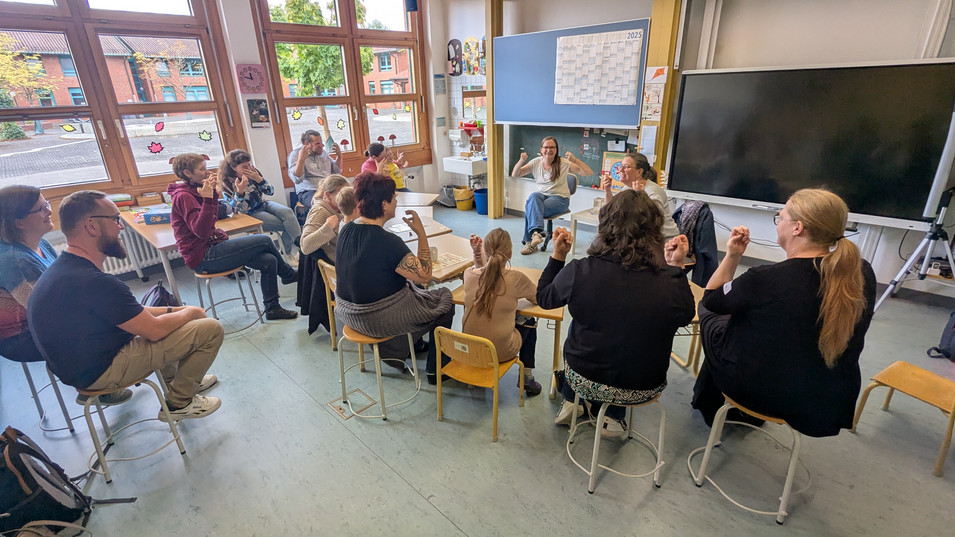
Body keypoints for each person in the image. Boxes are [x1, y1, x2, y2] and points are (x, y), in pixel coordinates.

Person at [691, 188, 877, 437]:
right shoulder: (860, 273)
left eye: (781, 217)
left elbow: (712, 299)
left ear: (797, 228)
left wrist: (732, 255)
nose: (779, 222)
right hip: (820, 399)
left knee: (714, 315)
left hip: (758, 393)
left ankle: (711, 402)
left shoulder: (766, 279)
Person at [29, 191, 224, 421]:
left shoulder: (68, 268)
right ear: (91, 226)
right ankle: (179, 403)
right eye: (115, 219)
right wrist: (190, 312)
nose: (120, 227)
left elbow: (135, 315)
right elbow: (154, 329)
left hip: (79, 368)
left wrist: (180, 311)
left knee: (175, 322)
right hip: (100, 372)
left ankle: (181, 381)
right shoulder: (96, 282)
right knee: (210, 329)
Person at [537, 190, 695, 437]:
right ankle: (613, 417)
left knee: (580, 330)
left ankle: (571, 400)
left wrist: (558, 256)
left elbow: (545, 299)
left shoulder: (581, 270)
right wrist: (676, 266)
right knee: (629, 332)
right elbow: (686, 316)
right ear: (655, 231)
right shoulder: (670, 279)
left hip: (584, 379)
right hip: (645, 387)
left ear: (605, 225)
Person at [0, 186, 132, 405]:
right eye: (40, 209)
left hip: (46, 321)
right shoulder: (13, 260)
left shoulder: (40, 242)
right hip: (22, 336)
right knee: (119, 323)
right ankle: (96, 383)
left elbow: (65, 286)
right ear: (18, 222)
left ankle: (101, 380)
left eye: (47, 205)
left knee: (121, 315)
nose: (49, 212)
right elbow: (42, 310)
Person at [334, 172, 454, 384]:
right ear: (383, 204)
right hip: (375, 319)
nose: (396, 200)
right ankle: (437, 370)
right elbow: (425, 275)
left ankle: (412, 345)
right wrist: (421, 233)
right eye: (393, 197)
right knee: (444, 300)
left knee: (414, 289)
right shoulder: (387, 241)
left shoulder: (346, 229)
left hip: (347, 312)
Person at [167, 153, 298, 320]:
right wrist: (209, 198)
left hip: (212, 246)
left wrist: (213, 195)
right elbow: (201, 231)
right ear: (187, 173)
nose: (207, 172)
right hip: (203, 257)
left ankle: (272, 309)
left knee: (269, 261)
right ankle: (288, 274)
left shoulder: (196, 190)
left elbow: (213, 218)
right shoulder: (183, 196)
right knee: (265, 240)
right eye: (201, 169)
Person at [463, 228, 541, 395]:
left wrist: (477, 255)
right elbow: (537, 298)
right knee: (529, 320)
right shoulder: (516, 279)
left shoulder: (468, 274)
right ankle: (527, 377)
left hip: (470, 350)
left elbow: (484, 276)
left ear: (484, 251)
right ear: (510, 254)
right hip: (499, 352)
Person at [512, 136, 594, 255]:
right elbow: (515, 174)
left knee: (531, 207)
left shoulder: (563, 163)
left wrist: (575, 160)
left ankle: (531, 241)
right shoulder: (536, 162)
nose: (548, 150)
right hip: (542, 198)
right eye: (546, 147)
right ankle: (536, 235)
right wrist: (521, 161)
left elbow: (588, 172)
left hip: (560, 200)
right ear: (541, 149)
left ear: (556, 150)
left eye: (552, 147)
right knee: (534, 197)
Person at [218, 149, 301, 257]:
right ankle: (290, 253)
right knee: (288, 224)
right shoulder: (226, 182)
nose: (248, 168)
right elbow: (233, 209)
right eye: (244, 167)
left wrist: (259, 179)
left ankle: (294, 250)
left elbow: (270, 192)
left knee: (288, 213)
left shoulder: (253, 172)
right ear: (233, 167)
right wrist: (239, 192)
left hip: (263, 204)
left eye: (249, 164)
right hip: (249, 213)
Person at [297, 175, 348, 334]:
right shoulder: (321, 210)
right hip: (338, 267)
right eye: (339, 194)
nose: (342, 198)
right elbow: (305, 246)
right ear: (327, 195)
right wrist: (328, 227)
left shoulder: (337, 207)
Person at [601, 152, 680, 239]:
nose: (620, 170)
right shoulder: (626, 188)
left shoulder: (653, 191)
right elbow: (610, 211)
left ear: (639, 172)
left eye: (626, 167)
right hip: (643, 238)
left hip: (662, 241)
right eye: (621, 166)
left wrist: (640, 196)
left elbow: (651, 221)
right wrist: (607, 189)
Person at [288, 130, 342, 209]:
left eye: (321, 142)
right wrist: (301, 159)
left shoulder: (323, 153)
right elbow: (297, 179)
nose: (322, 145)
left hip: (329, 187)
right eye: (317, 143)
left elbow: (337, 171)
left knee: (347, 200)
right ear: (307, 144)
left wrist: (340, 156)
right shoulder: (295, 154)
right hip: (309, 191)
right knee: (324, 205)